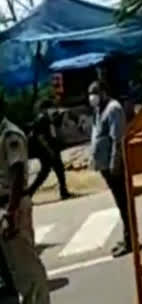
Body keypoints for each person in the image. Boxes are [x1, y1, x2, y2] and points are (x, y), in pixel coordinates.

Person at [0, 96, 50, 304]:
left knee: (27, 266)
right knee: (16, 269)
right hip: (5, 205)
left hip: (13, 206)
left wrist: (10, 213)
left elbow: (17, 172)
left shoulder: (9, 134)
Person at [88, 81, 131, 257]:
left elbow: (117, 139)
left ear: (104, 93)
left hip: (115, 167)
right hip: (105, 166)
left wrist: (115, 164)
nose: (92, 97)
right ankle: (128, 237)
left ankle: (130, 240)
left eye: (95, 93)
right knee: (121, 204)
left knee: (124, 204)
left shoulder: (113, 109)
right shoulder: (99, 111)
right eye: (90, 94)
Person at [25, 101, 71, 200]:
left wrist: (62, 115)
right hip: (46, 150)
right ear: (44, 109)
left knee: (53, 171)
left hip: (50, 148)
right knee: (51, 171)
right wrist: (49, 150)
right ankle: (29, 193)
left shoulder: (46, 118)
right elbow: (41, 136)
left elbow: (55, 125)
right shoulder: (42, 119)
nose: (52, 110)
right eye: (49, 108)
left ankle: (63, 191)